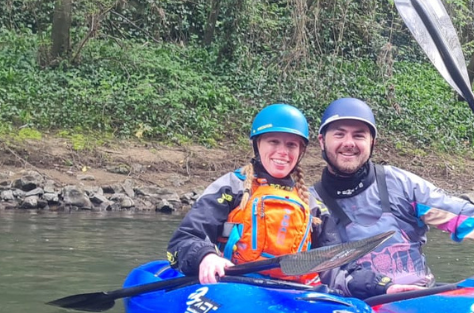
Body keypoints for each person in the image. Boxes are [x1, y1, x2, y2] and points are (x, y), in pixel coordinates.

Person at [312, 97, 474, 287]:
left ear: (372, 143)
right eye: (339, 134)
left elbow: (461, 217)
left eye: (359, 135)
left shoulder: (399, 184)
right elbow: (322, 272)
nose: (349, 143)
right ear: (322, 141)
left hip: (421, 299)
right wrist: (381, 288)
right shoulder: (311, 204)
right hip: (356, 310)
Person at [166, 103, 398, 299]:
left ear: (301, 151)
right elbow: (184, 240)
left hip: (291, 294)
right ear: (258, 145)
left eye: (291, 145)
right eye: (273, 142)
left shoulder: (312, 205)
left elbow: (336, 267)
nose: (282, 152)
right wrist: (205, 256)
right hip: (232, 288)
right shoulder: (231, 187)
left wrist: (384, 286)